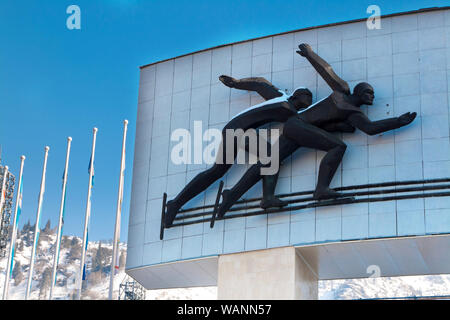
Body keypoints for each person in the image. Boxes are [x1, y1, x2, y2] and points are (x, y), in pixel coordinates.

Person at [216, 43, 417, 219]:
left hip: (299, 130)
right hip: (297, 124)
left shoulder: (354, 115)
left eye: (372, 94)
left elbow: (371, 129)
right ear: (357, 91)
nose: (372, 96)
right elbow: (326, 71)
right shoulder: (342, 91)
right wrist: (310, 54)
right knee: (338, 146)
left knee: (269, 163)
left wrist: (398, 121)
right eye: (368, 92)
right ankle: (321, 190)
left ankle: (232, 195)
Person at [164, 74, 313, 227]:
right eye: (308, 96)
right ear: (297, 95)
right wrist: (236, 83)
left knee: (217, 171)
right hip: (237, 130)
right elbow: (260, 85)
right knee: (271, 156)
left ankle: (175, 204)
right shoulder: (282, 99)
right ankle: (265, 197)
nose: (310, 100)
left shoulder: (290, 108)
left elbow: (262, 83)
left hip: (236, 130)